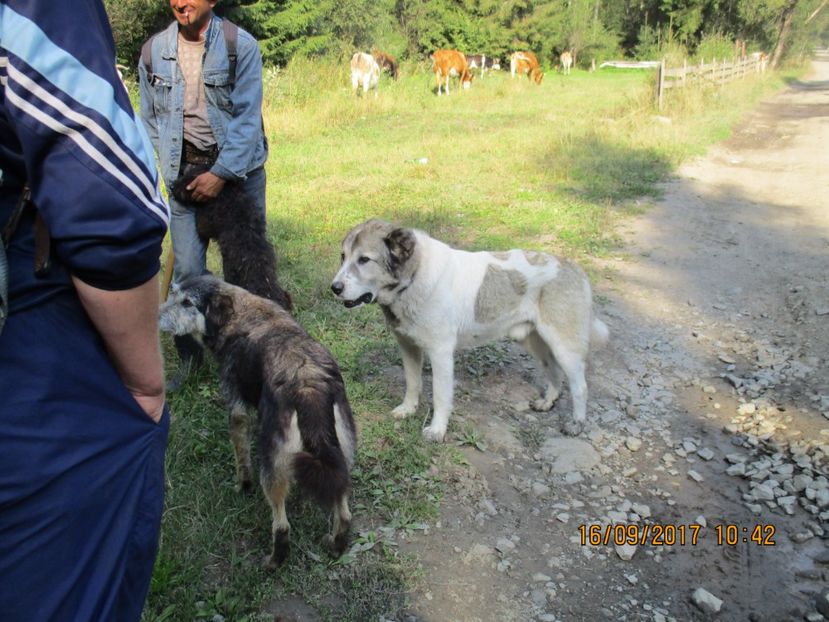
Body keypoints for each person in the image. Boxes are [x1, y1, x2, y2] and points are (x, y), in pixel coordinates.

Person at [0, 1, 170, 621]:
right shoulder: (151, 48)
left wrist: (227, 169)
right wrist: (145, 384)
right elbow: (103, 193)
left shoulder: (241, 48)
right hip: (33, 335)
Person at [139, 0, 269, 389]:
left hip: (238, 174)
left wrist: (221, 174)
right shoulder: (152, 52)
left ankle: (254, 357)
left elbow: (247, 120)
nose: (181, 2)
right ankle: (191, 362)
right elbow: (147, 122)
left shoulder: (239, 46)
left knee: (246, 275)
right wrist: (159, 173)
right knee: (188, 276)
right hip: (183, 177)